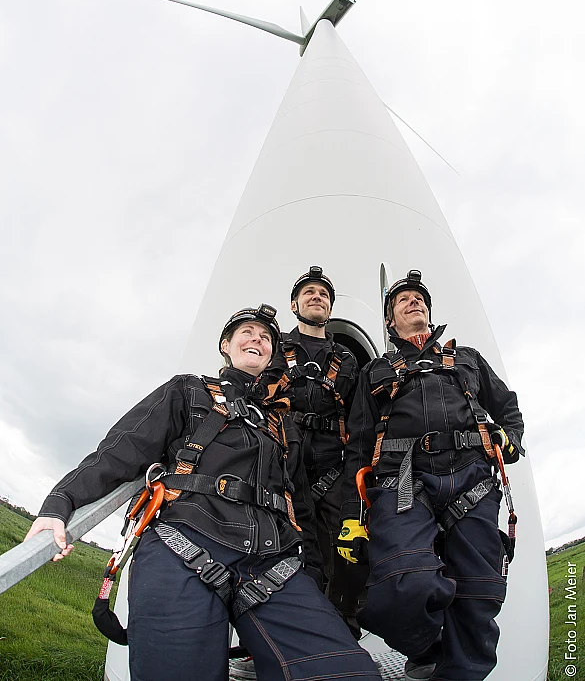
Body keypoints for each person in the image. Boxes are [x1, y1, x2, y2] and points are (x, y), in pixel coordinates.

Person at [26, 304, 381, 681]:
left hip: (272, 562)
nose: (257, 340)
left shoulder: (283, 425)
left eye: (266, 339)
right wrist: (59, 503)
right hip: (184, 544)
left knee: (350, 673)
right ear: (226, 345)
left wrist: (308, 577)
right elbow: (120, 451)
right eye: (247, 332)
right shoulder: (188, 390)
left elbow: (301, 513)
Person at [338, 271, 525, 681]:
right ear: (390, 322)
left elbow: (508, 408)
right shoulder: (375, 371)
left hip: (471, 478)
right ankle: (429, 647)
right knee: (400, 589)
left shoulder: (467, 359)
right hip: (401, 481)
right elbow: (358, 445)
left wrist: (509, 438)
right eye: (402, 300)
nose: (413, 302)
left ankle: (458, 672)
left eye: (418, 298)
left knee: (480, 593)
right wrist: (352, 516)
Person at [268, 267, 368, 638]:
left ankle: (343, 633)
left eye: (324, 294)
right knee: (278, 550)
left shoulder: (347, 360)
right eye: (309, 292)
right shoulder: (273, 348)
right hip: (278, 464)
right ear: (294, 304)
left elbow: (361, 418)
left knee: (346, 553)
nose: (317, 297)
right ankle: (273, 637)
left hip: (332, 467)